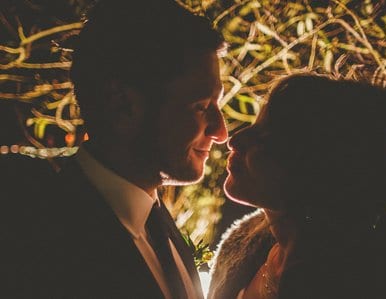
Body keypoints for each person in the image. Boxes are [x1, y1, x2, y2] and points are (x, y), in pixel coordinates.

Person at [1, 1, 227, 297]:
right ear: (122, 105)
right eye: (201, 107)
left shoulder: (160, 226)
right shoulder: (39, 245)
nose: (220, 132)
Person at [208, 74, 386, 298]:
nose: (234, 140)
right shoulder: (243, 248)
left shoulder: (357, 283)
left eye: (264, 136)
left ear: (313, 164)